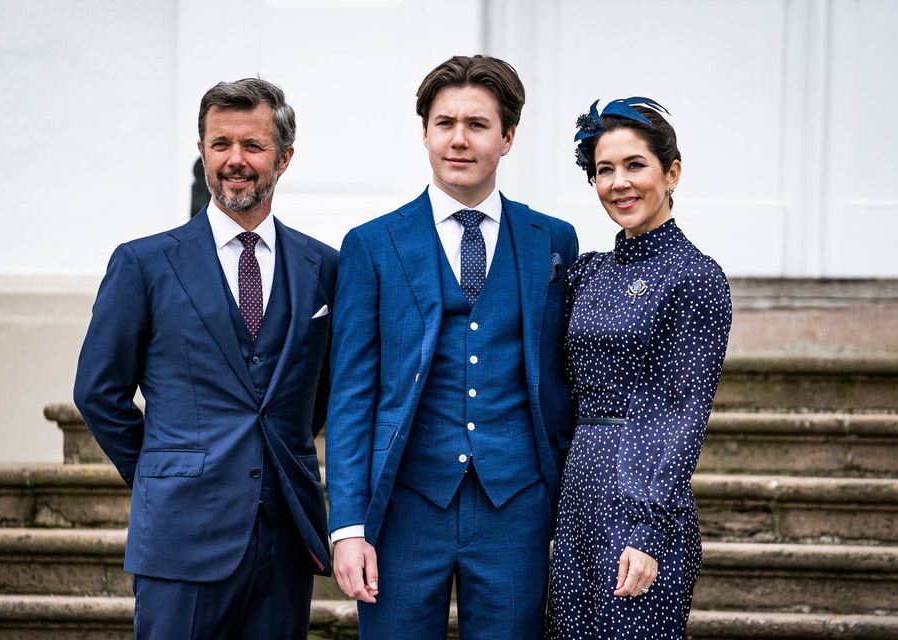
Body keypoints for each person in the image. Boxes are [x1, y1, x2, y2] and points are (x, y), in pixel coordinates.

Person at [73, 78, 338, 639]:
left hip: (286, 536)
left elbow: (320, 391)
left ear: (284, 158)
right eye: (220, 144)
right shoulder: (144, 264)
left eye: (253, 145)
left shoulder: (324, 267)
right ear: (202, 151)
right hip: (180, 534)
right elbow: (98, 391)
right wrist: (161, 470)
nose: (234, 159)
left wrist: (279, 447)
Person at [325, 55, 578, 639]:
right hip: (404, 506)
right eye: (445, 123)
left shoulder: (553, 240)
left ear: (507, 138)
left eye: (477, 124)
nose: (459, 139)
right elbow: (352, 396)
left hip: (516, 506)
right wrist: (349, 527)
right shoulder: (372, 244)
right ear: (425, 133)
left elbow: (562, 379)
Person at [545, 97, 732, 639]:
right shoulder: (588, 272)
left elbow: (682, 412)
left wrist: (646, 530)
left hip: (640, 497)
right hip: (578, 496)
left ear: (672, 173)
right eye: (605, 170)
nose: (619, 183)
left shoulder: (696, 277)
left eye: (635, 165)